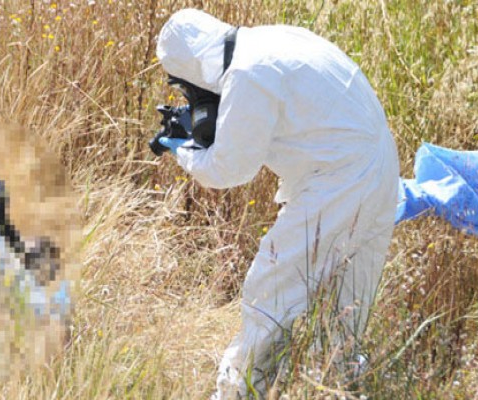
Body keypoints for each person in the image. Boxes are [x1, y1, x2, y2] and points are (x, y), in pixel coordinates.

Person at [155, 9, 399, 399]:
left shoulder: (248, 75)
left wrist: (181, 149)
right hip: (380, 167)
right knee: (345, 310)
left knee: (271, 287)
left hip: (342, 180)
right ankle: (333, 388)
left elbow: (227, 170)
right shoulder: (268, 42)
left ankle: (238, 392)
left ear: (193, 68)